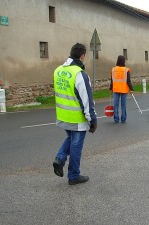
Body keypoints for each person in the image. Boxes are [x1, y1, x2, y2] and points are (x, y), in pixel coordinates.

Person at [52, 43, 97, 185]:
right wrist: (93, 120)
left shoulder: (58, 70)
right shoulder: (80, 74)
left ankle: (59, 158)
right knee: (76, 146)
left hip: (63, 115)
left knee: (71, 139)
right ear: (83, 56)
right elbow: (87, 101)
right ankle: (74, 176)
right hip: (77, 117)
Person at [110, 55, 134, 123]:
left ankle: (116, 119)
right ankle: (123, 119)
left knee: (115, 105)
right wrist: (131, 89)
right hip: (124, 90)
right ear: (124, 61)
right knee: (123, 105)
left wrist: (111, 89)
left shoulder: (113, 69)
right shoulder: (126, 70)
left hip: (115, 89)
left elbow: (112, 81)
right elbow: (128, 81)